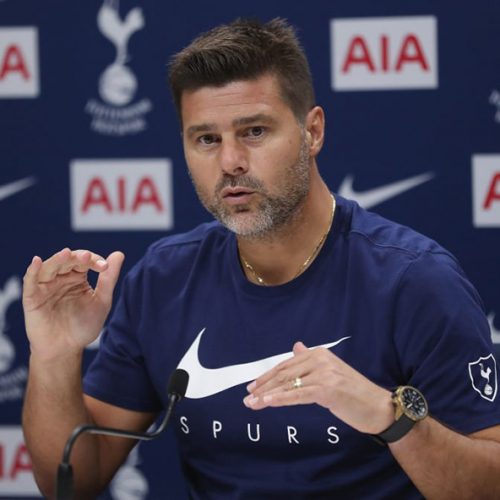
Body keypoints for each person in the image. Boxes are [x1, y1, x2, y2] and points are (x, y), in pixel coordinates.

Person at [22, 17, 500, 499]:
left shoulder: (415, 281)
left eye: (254, 131)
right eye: (206, 139)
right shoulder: (163, 279)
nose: (230, 161)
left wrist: (389, 416)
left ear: (313, 131)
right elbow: (73, 483)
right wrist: (55, 355)